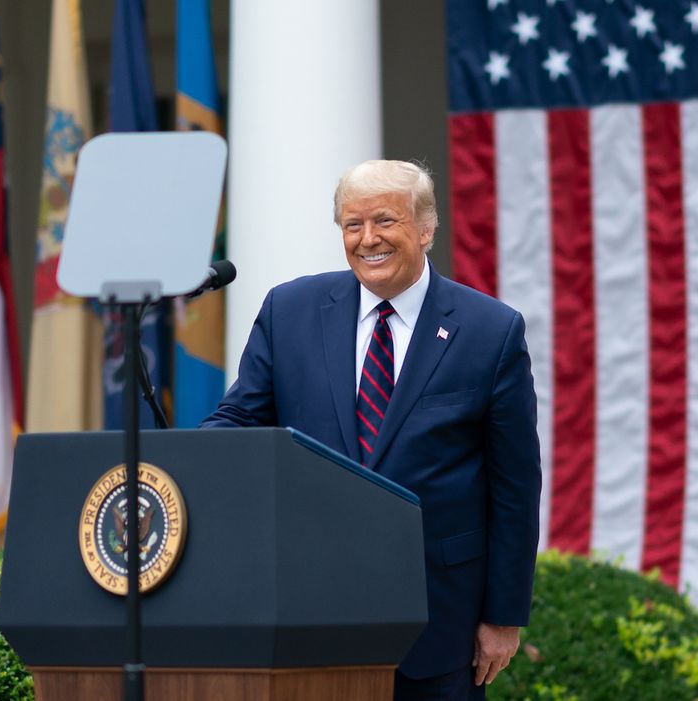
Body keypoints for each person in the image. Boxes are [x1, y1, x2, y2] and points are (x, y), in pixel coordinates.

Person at [202, 160, 542, 701]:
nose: (368, 240)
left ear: (427, 228)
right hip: (307, 610)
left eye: (385, 220)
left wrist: (503, 616)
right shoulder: (289, 310)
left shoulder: (490, 330)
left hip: (440, 620)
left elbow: (515, 487)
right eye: (352, 225)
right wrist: (181, 459)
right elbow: (240, 418)